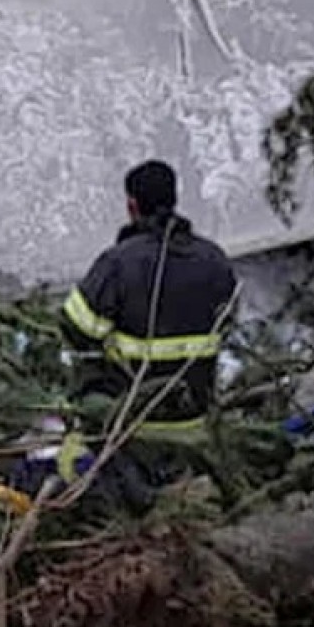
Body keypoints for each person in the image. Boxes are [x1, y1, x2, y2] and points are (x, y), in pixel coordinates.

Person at [56, 160, 239, 505]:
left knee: (79, 423)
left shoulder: (119, 263)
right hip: (196, 416)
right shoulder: (214, 259)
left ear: (131, 206)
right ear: (174, 199)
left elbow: (75, 328)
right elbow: (227, 323)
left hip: (134, 420)